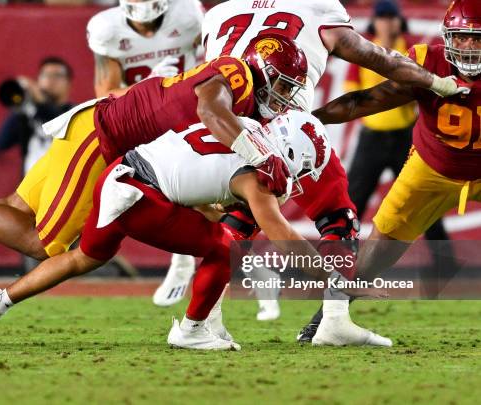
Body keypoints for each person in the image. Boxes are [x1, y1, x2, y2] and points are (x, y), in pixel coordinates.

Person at [0, 35, 306, 315]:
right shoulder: (238, 78)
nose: (286, 97)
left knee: (13, 213)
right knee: (44, 243)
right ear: (264, 68)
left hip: (99, 130)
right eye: (285, 85)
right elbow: (209, 109)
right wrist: (259, 155)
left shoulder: (240, 101)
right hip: (103, 141)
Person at [0, 111, 390, 350]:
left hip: (120, 176)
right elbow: (279, 231)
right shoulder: (260, 173)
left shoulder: (242, 125)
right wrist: (327, 278)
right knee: (225, 249)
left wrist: (209, 205)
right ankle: (191, 330)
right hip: (141, 194)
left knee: (80, 258)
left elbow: (192, 169)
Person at [201, 0, 469, 345]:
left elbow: (204, 80)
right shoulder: (319, 7)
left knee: (237, 218)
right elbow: (373, 60)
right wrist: (437, 82)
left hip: (221, 125)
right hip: (286, 127)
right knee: (338, 219)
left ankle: (200, 320)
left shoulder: (218, 12)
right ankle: (333, 319)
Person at [305, 0, 481, 345]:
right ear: (448, 37)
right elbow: (365, 100)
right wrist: (311, 118)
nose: (470, 47)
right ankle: (326, 318)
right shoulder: (427, 63)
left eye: (477, 39)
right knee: (378, 247)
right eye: (462, 38)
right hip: (433, 168)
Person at [87, 0, 204, 301]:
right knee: (156, 188)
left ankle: (198, 258)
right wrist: (152, 85)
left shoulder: (188, 13)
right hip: (141, 117)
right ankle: (184, 255)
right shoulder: (107, 28)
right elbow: (106, 93)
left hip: (191, 109)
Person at [87, 0, 204, 98]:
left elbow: (216, 62)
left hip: (186, 99)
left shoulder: (189, 14)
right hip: (138, 109)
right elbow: (105, 96)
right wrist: (147, 85)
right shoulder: (107, 29)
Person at [0, 56, 74, 175]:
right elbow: (1, 143)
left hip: (60, 185)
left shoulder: (74, 112)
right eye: (45, 75)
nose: (50, 81)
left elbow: (57, 121)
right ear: (38, 80)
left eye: (57, 76)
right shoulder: (29, 112)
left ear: (68, 83)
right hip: (30, 188)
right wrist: (19, 106)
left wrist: (41, 101)